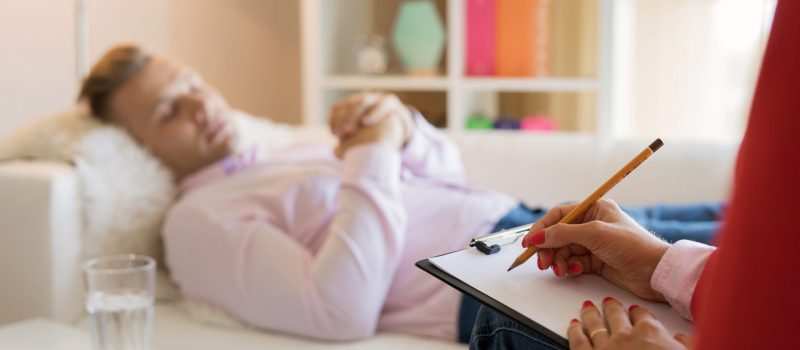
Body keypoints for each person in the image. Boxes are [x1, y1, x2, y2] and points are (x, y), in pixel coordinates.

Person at [77, 45, 721, 343]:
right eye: (168, 110)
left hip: (528, 226)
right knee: (759, 276)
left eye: (190, 80)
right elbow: (338, 312)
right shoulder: (198, 223)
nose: (198, 103)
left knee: (752, 227)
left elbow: (444, 172)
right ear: (139, 148)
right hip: (494, 288)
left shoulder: (285, 149)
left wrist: (402, 128)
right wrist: (373, 151)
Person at [469, 0, 800, 349]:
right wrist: (659, 264)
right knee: (721, 219)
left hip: (511, 224)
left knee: (500, 320)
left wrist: (406, 128)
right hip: (497, 237)